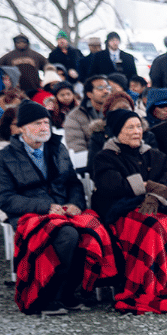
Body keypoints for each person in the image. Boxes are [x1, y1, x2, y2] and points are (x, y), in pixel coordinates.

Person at [0, 102, 116, 315]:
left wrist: (75, 204)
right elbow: (5, 198)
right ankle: (48, 295)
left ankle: (70, 291)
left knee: (92, 230)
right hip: (30, 214)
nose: (44, 127)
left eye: (46, 122)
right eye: (37, 123)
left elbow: (73, 181)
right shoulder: (5, 157)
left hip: (64, 210)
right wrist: (45, 206)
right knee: (66, 235)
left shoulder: (57, 148)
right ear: (23, 128)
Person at [91, 108, 167, 314]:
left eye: (139, 126)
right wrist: (147, 185)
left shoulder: (153, 154)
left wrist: (155, 196)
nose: (137, 131)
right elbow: (112, 184)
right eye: (130, 127)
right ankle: (150, 286)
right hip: (123, 210)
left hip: (157, 204)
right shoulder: (105, 156)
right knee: (151, 227)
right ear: (118, 131)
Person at [63, 75, 111, 152]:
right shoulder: (75, 116)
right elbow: (76, 146)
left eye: (108, 88)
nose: (106, 91)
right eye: (100, 88)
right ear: (89, 94)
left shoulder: (116, 110)